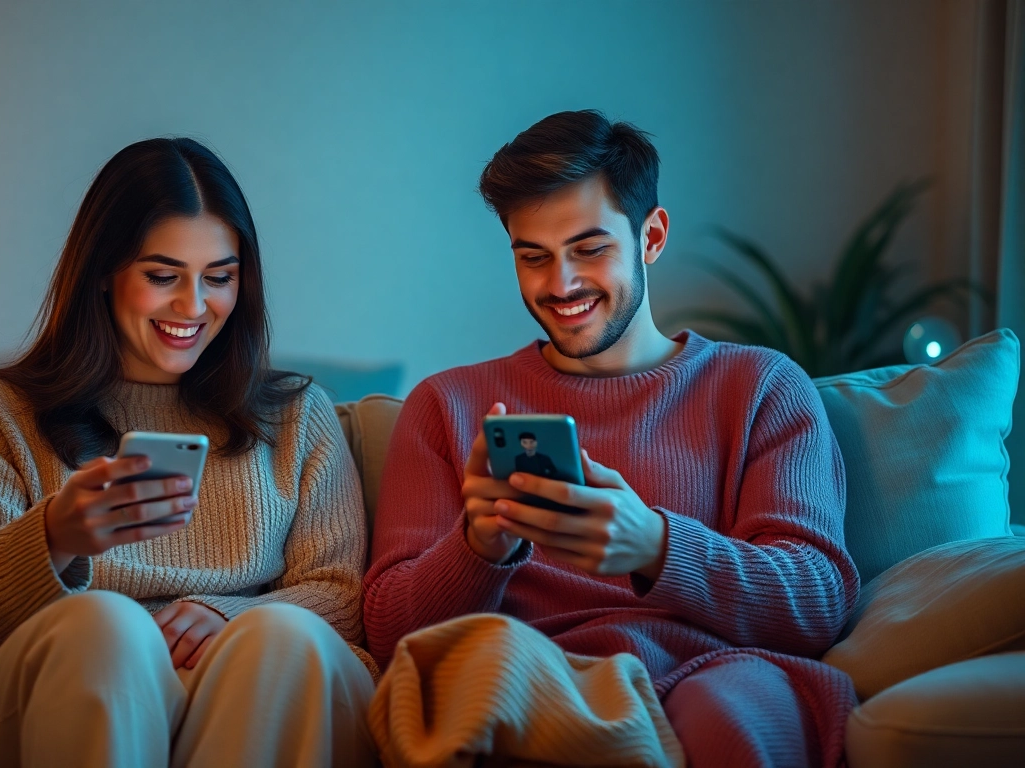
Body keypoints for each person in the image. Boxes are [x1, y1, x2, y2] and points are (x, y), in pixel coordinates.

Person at [363, 110, 861, 767]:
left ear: (650, 237)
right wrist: (478, 547)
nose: (560, 284)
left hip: (713, 670)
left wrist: (655, 545)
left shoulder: (761, 387)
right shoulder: (446, 405)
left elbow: (816, 601)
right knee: (485, 677)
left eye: (589, 249)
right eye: (533, 257)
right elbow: (390, 633)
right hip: (526, 671)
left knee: (734, 712)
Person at [0, 138, 376, 768]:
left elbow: (342, 600)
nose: (194, 306)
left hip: (245, 686)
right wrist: (53, 537)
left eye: (220, 277)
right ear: (103, 271)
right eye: (162, 277)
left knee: (281, 635)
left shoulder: (296, 415)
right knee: (105, 626)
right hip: (65, 686)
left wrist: (227, 614)